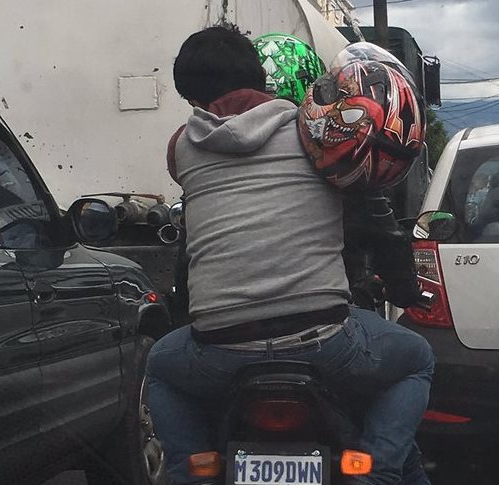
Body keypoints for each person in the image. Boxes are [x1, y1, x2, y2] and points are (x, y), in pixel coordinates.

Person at [146, 25, 434, 485]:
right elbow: (378, 226)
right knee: (416, 358)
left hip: (218, 347)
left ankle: (189, 471)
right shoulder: (319, 134)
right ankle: (376, 472)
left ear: (192, 97)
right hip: (326, 342)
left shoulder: (181, 148)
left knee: (159, 366)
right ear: (260, 77)